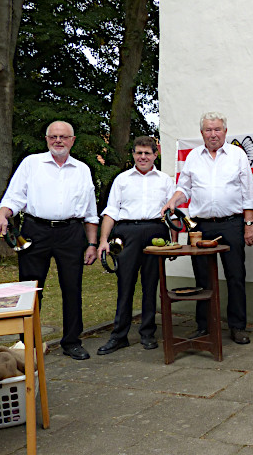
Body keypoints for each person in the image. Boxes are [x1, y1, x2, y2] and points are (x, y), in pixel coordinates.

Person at [0, 121, 98, 361]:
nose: (58, 140)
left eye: (63, 137)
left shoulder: (82, 169)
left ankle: (72, 342)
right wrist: (2, 213)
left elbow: (90, 212)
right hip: (35, 230)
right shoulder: (32, 163)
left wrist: (91, 244)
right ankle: (26, 343)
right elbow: (14, 196)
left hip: (71, 233)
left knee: (72, 288)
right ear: (47, 139)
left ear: (72, 140)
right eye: (53, 136)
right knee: (29, 289)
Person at [161, 112, 253, 345]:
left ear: (225, 131)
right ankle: (204, 325)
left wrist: (249, 225)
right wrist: (173, 200)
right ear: (201, 132)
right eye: (208, 130)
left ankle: (237, 327)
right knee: (202, 278)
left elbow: (248, 193)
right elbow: (184, 187)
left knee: (235, 276)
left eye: (217, 129)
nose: (213, 134)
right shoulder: (193, 156)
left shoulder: (237, 155)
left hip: (232, 224)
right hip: (200, 227)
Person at [96, 136, 175, 355]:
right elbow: (111, 211)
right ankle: (119, 336)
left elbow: (171, 213)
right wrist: (103, 240)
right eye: (139, 153)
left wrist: (174, 242)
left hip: (155, 233)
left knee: (151, 285)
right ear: (133, 154)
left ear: (155, 155)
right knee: (125, 284)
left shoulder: (165, 180)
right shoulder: (122, 179)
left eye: (147, 153)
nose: (143, 157)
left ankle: (148, 333)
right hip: (126, 233)